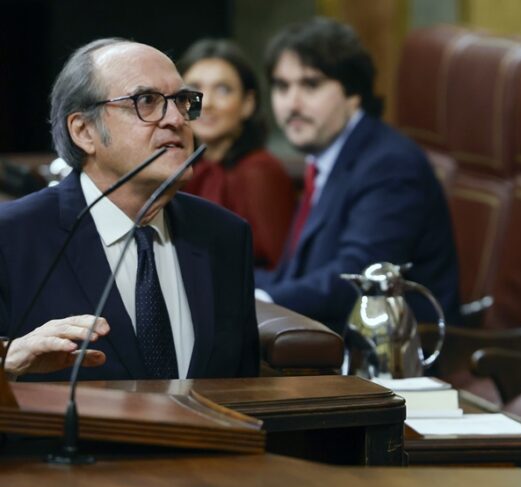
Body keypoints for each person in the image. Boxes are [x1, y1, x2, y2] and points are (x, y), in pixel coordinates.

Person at [0, 38, 259, 381]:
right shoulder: (12, 237)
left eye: (182, 101)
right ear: (84, 131)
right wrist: (7, 359)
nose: (176, 119)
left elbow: (245, 390)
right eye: (147, 101)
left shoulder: (225, 234)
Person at [255, 17, 461, 335]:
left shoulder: (389, 164)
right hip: (326, 342)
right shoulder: (326, 158)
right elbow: (297, 274)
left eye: (311, 84)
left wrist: (265, 298)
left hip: (393, 358)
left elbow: (357, 277)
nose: (291, 103)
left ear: (353, 94)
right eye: (282, 86)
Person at [178, 39, 295, 269]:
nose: (206, 103)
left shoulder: (259, 171)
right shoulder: (186, 167)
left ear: (248, 103)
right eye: (194, 90)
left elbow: (278, 266)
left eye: (223, 90)